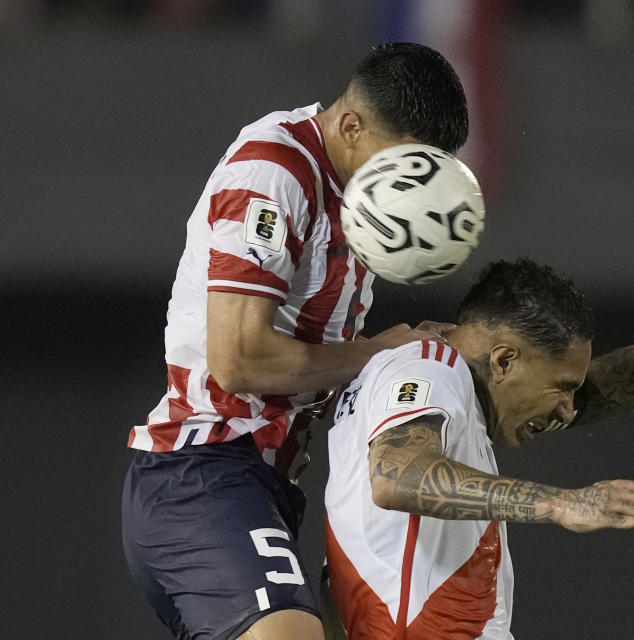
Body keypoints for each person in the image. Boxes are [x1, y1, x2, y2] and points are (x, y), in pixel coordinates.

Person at [323, 217, 634, 638]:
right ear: (503, 360)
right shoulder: (427, 368)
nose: (568, 410)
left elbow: (603, 388)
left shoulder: (449, 391)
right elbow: (396, 474)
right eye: (560, 387)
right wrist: (557, 503)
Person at [121, 42, 469, 640]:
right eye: (399, 168)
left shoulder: (358, 201)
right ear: (351, 126)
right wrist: (379, 352)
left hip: (265, 487)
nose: (405, 193)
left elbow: (319, 364)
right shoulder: (274, 169)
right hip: (200, 473)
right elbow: (240, 360)